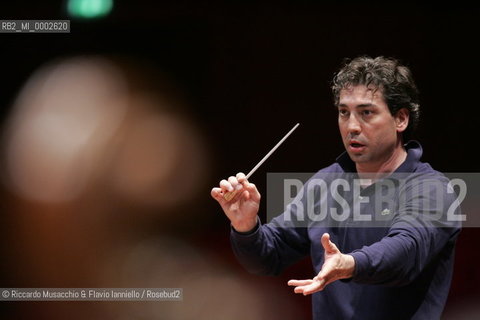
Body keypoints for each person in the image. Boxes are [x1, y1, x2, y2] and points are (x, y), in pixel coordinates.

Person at [211, 56, 461, 319]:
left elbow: (404, 253)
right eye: (344, 112)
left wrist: (350, 264)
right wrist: (246, 226)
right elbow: (266, 259)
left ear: (400, 119)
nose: (352, 126)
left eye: (366, 112)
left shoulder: (432, 189)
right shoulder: (324, 183)